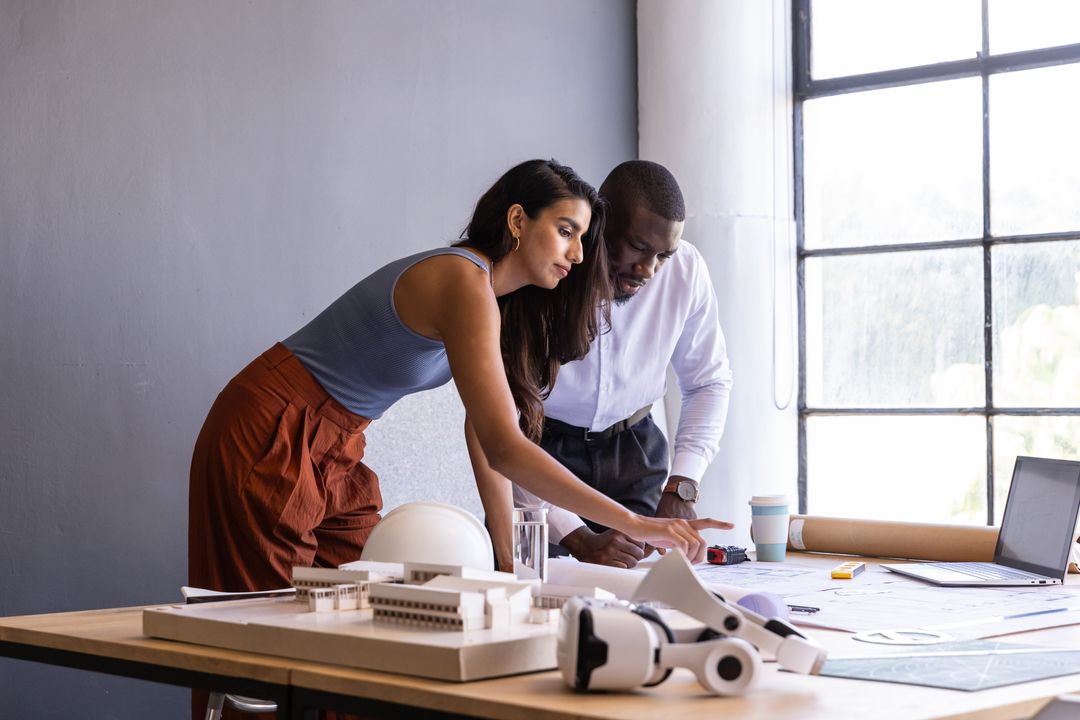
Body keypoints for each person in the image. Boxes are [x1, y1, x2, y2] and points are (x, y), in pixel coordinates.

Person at [188, 158, 727, 596]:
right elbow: (505, 447)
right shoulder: (463, 283)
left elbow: (484, 431)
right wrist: (640, 524)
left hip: (336, 440)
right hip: (273, 425)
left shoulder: (495, 297)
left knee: (355, 611)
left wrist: (507, 555)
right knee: (264, 626)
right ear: (518, 221)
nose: (579, 254)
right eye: (566, 231)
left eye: (584, 237)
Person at [483, 160, 733, 570]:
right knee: (540, 596)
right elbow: (504, 432)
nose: (647, 270)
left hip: (635, 453)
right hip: (541, 449)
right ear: (600, 220)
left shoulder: (686, 269)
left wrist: (683, 483)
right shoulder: (542, 272)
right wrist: (575, 535)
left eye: (662, 256)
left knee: (643, 597)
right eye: (637, 247)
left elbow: (709, 382)